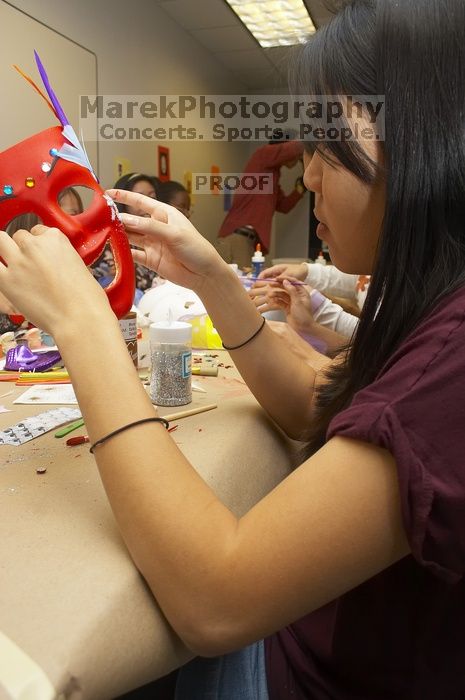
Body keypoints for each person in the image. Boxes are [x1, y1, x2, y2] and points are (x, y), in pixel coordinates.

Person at [0, 3, 464, 700]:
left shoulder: (452, 360)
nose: (306, 179)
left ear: (425, 141)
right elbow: (313, 411)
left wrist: (84, 323)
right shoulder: (436, 310)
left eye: (323, 145)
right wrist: (214, 279)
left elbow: (214, 603)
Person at [216, 135, 306, 269]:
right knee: (246, 286)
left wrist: (300, 189)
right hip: (238, 237)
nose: (298, 160)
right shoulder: (263, 155)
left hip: (247, 240)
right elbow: (294, 148)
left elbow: (284, 206)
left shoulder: (271, 175)